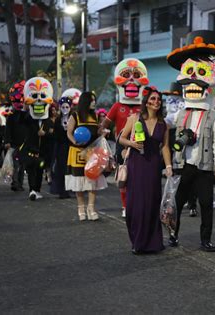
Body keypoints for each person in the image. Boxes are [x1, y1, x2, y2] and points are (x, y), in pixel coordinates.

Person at [167, 30, 215, 251]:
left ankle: (205, 240)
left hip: (205, 166)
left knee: (206, 204)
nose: (192, 80)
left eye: (200, 73)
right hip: (184, 164)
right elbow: (167, 129)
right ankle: (173, 235)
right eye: (189, 72)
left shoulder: (214, 115)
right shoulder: (180, 114)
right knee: (177, 203)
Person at [119, 87, 172, 253]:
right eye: (153, 99)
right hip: (136, 164)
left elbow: (165, 147)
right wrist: (132, 144)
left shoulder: (164, 124)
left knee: (152, 202)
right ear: (146, 101)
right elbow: (121, 138)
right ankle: (137, 241)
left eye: (158, 99)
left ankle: (153, 242)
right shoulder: (134, 118)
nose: (156, 102)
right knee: (136, 204)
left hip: (153, 166)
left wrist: (169, 166)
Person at [100, 58, 149, 218]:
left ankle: (138, 205)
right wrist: (100, 132)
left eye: (136, 75)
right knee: (123, 177)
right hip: (122, 146)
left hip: (141, 145)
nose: (132, 79)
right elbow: (104, 124)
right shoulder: (116, 106)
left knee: (140, 178)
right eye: (126, 75)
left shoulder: (144, 107)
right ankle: (125, 206)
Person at [66, 92, 107, 221]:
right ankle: (81, 207)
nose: (94, 103)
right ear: (85, 101)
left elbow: (97, 132)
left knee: (92, 180)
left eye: (94, 100)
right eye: (91, 100)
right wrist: (75, 142)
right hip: (77, 152)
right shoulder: (75, 115)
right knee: (79, 181)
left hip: (92, 152)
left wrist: (102, 132)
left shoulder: (95, 116)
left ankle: (91, 208)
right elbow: (69, 132)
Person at [4, 80, 27, 192]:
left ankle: (19, 183)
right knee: (16, 165)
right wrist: (7, 141)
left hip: (24, 144)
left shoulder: (25, 114)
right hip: (15, 144)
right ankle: (15, 183)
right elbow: (8, 129)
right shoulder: (11, 115)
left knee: (22, 166)